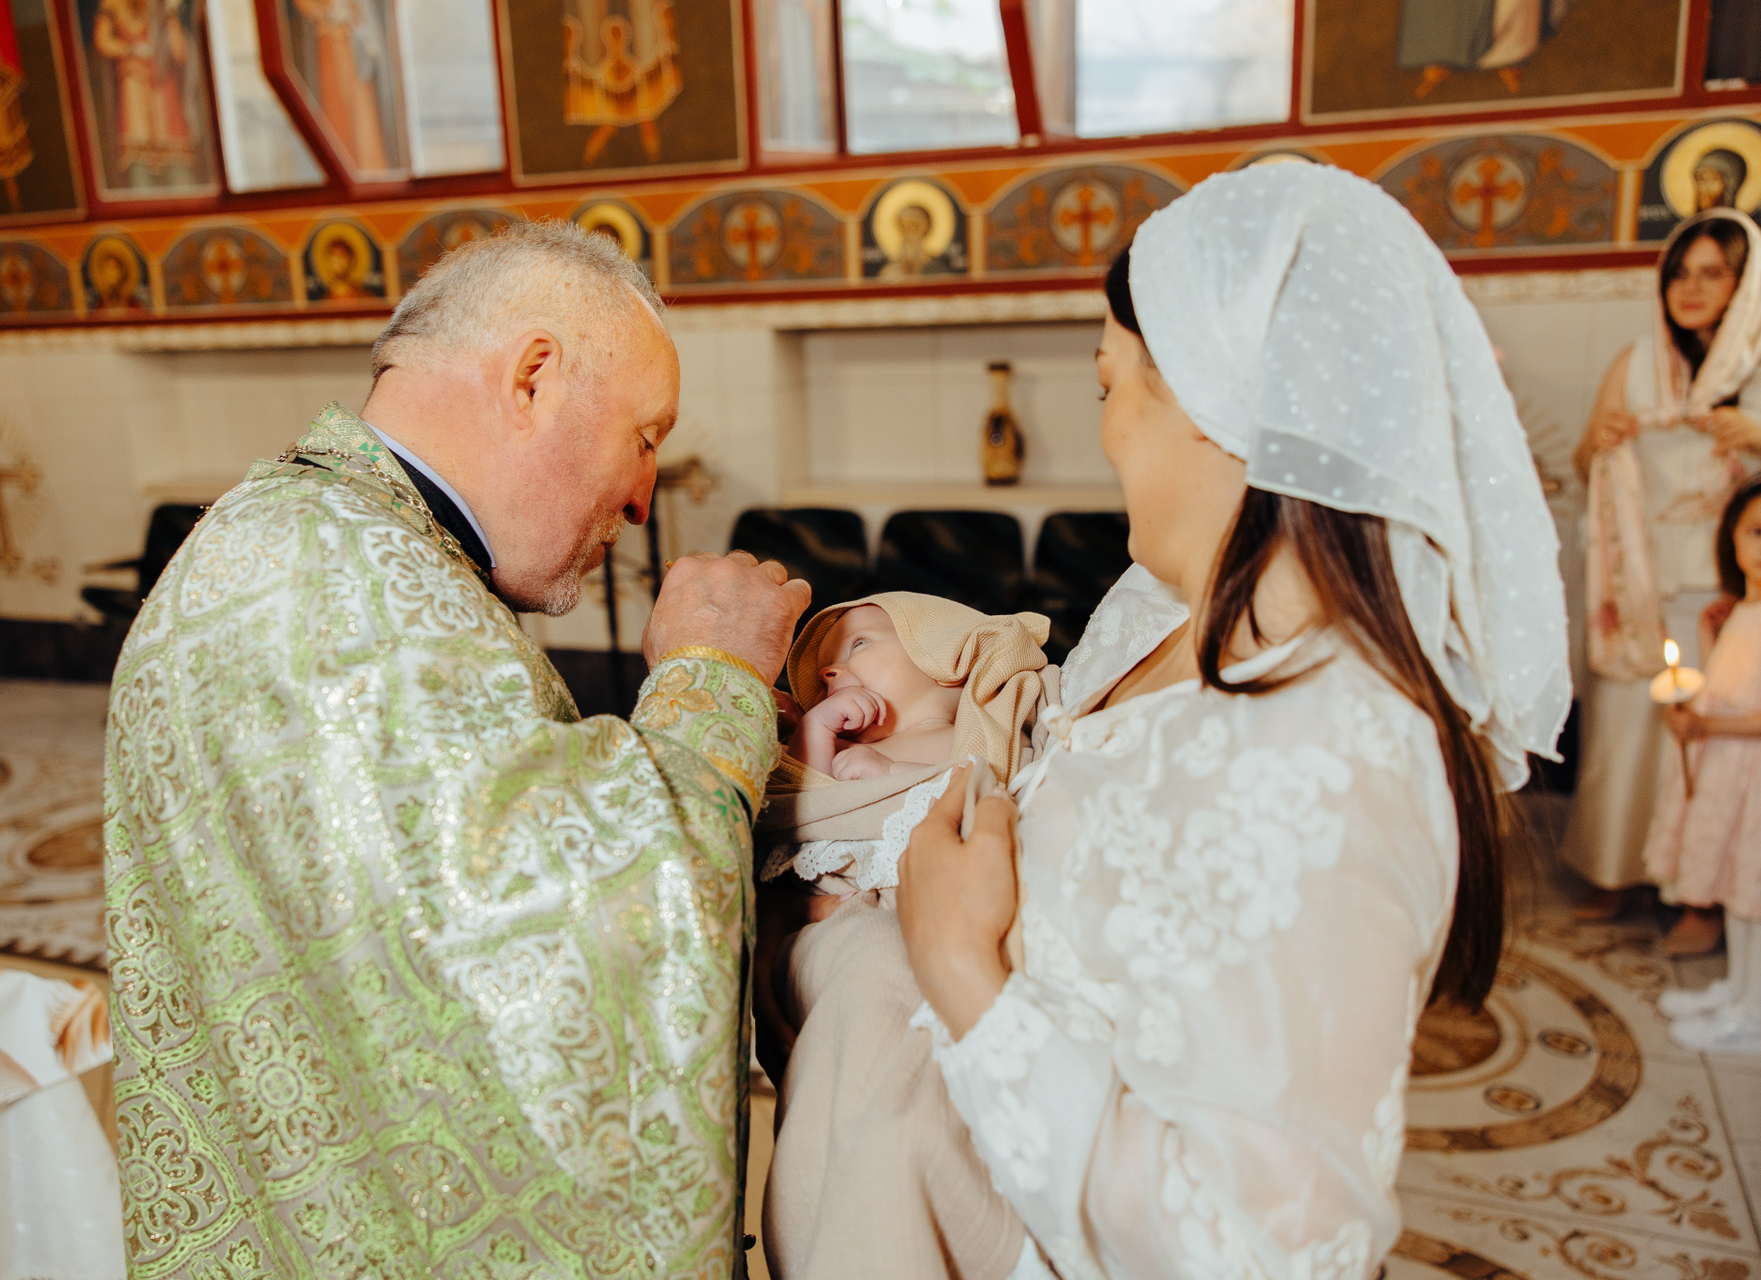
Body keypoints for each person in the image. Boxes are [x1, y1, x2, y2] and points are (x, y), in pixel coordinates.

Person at [890, 164, 1569, 1279]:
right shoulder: (1156, 608)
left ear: (1215, 404)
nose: (1107, 434)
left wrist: (961, 964)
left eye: (1108, 386)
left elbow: (1262, 1250)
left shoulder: (1337, 751)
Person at [102, 219, 810, 1279]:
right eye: (644, 435)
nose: (641, 496)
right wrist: (713, 679)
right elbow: (560, 937)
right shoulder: (351, 592)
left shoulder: (300, 535)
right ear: (533, 378)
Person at [754, 594, 1051, 1280]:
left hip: (930, 917)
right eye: (823, 673)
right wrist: (817, 732)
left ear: (946, 656)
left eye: (859, 645)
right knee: (843, 1086)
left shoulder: (977, 730)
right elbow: (800, 802)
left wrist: (892, 774)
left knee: (903, 1096)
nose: (833, 672)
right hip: (840, 919)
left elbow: (982, 781)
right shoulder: (846, 748)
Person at [1565, 208, 1761, 953]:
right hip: (1639, 583)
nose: (1691, 288)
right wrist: (1599, 441)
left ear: (1744, 283)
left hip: (1730, 588)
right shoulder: (1637, 362)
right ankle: (1614, 870)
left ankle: (1697, 897)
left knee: (1711, 741)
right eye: (1679, 273)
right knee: (1624, 732)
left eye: (1712, 273)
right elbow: (1585, 462)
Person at [1645, 474, 1761, 1052]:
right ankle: (1738, 989)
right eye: (1757, 532)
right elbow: (1727, 688)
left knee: (1753, 895)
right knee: (1737, 891)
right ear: (1732, 539)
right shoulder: (1738, 611)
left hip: (1754, 780)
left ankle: (1753, 1012)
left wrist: (1707, 727)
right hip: (1730, 774)